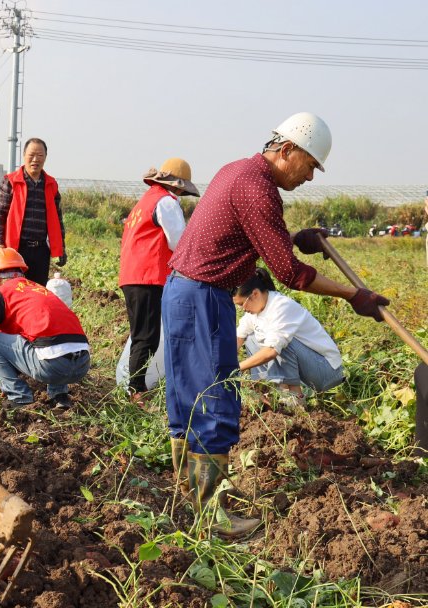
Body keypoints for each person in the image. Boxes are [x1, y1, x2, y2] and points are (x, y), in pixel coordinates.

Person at [164, 112, 390, 538]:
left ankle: (190, 504)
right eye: (309, 165)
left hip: (179, 292)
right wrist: (352, 295)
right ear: (286, 151)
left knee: (187, 401)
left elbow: (253, 234)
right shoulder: (258, 189)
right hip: (205, 297)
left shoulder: (239, 171)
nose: (310, 177)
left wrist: (294, 237)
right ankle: (212, 519)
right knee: (216, 400)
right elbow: (289, 274)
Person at [0, 248, 90, 411]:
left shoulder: (2, 293)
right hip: (82, 364)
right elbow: (24, 339)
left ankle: (19, 397)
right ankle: (60, 398)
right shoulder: (39, 289)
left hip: (53, 367)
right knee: (52, 339)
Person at [119, 158, 199, 401]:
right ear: (177, 186)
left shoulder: (145, 201)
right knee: (147, 338)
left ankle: (134, 387)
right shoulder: (166, 201)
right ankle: (137, 392)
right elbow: (178, 242)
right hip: (149, 276)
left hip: (132, 276)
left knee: (140, 334)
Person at [233, 268, 345, 409]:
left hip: (325, 371)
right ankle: (263, 391)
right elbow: (239, 337)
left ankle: (294, 402)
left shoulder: (281, 306)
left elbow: (271, 351)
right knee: (250, 338)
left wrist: (237, 367)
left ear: (255, 294)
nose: (242, 309)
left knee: (278, 344)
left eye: (241, 304)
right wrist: (223, 364)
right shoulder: (254, 312)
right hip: (305, 370)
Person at [0, 138, 66, 286]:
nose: (35, 160)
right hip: (16, 250)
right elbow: (0, 214)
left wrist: (61, 247)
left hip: (41, 252)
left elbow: (57, 219)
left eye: (40, 155)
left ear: (45, 156)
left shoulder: (51, 184)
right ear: (24, 154)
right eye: (31, 155)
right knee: (14, 290)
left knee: (38, 292)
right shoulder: (11, 181)